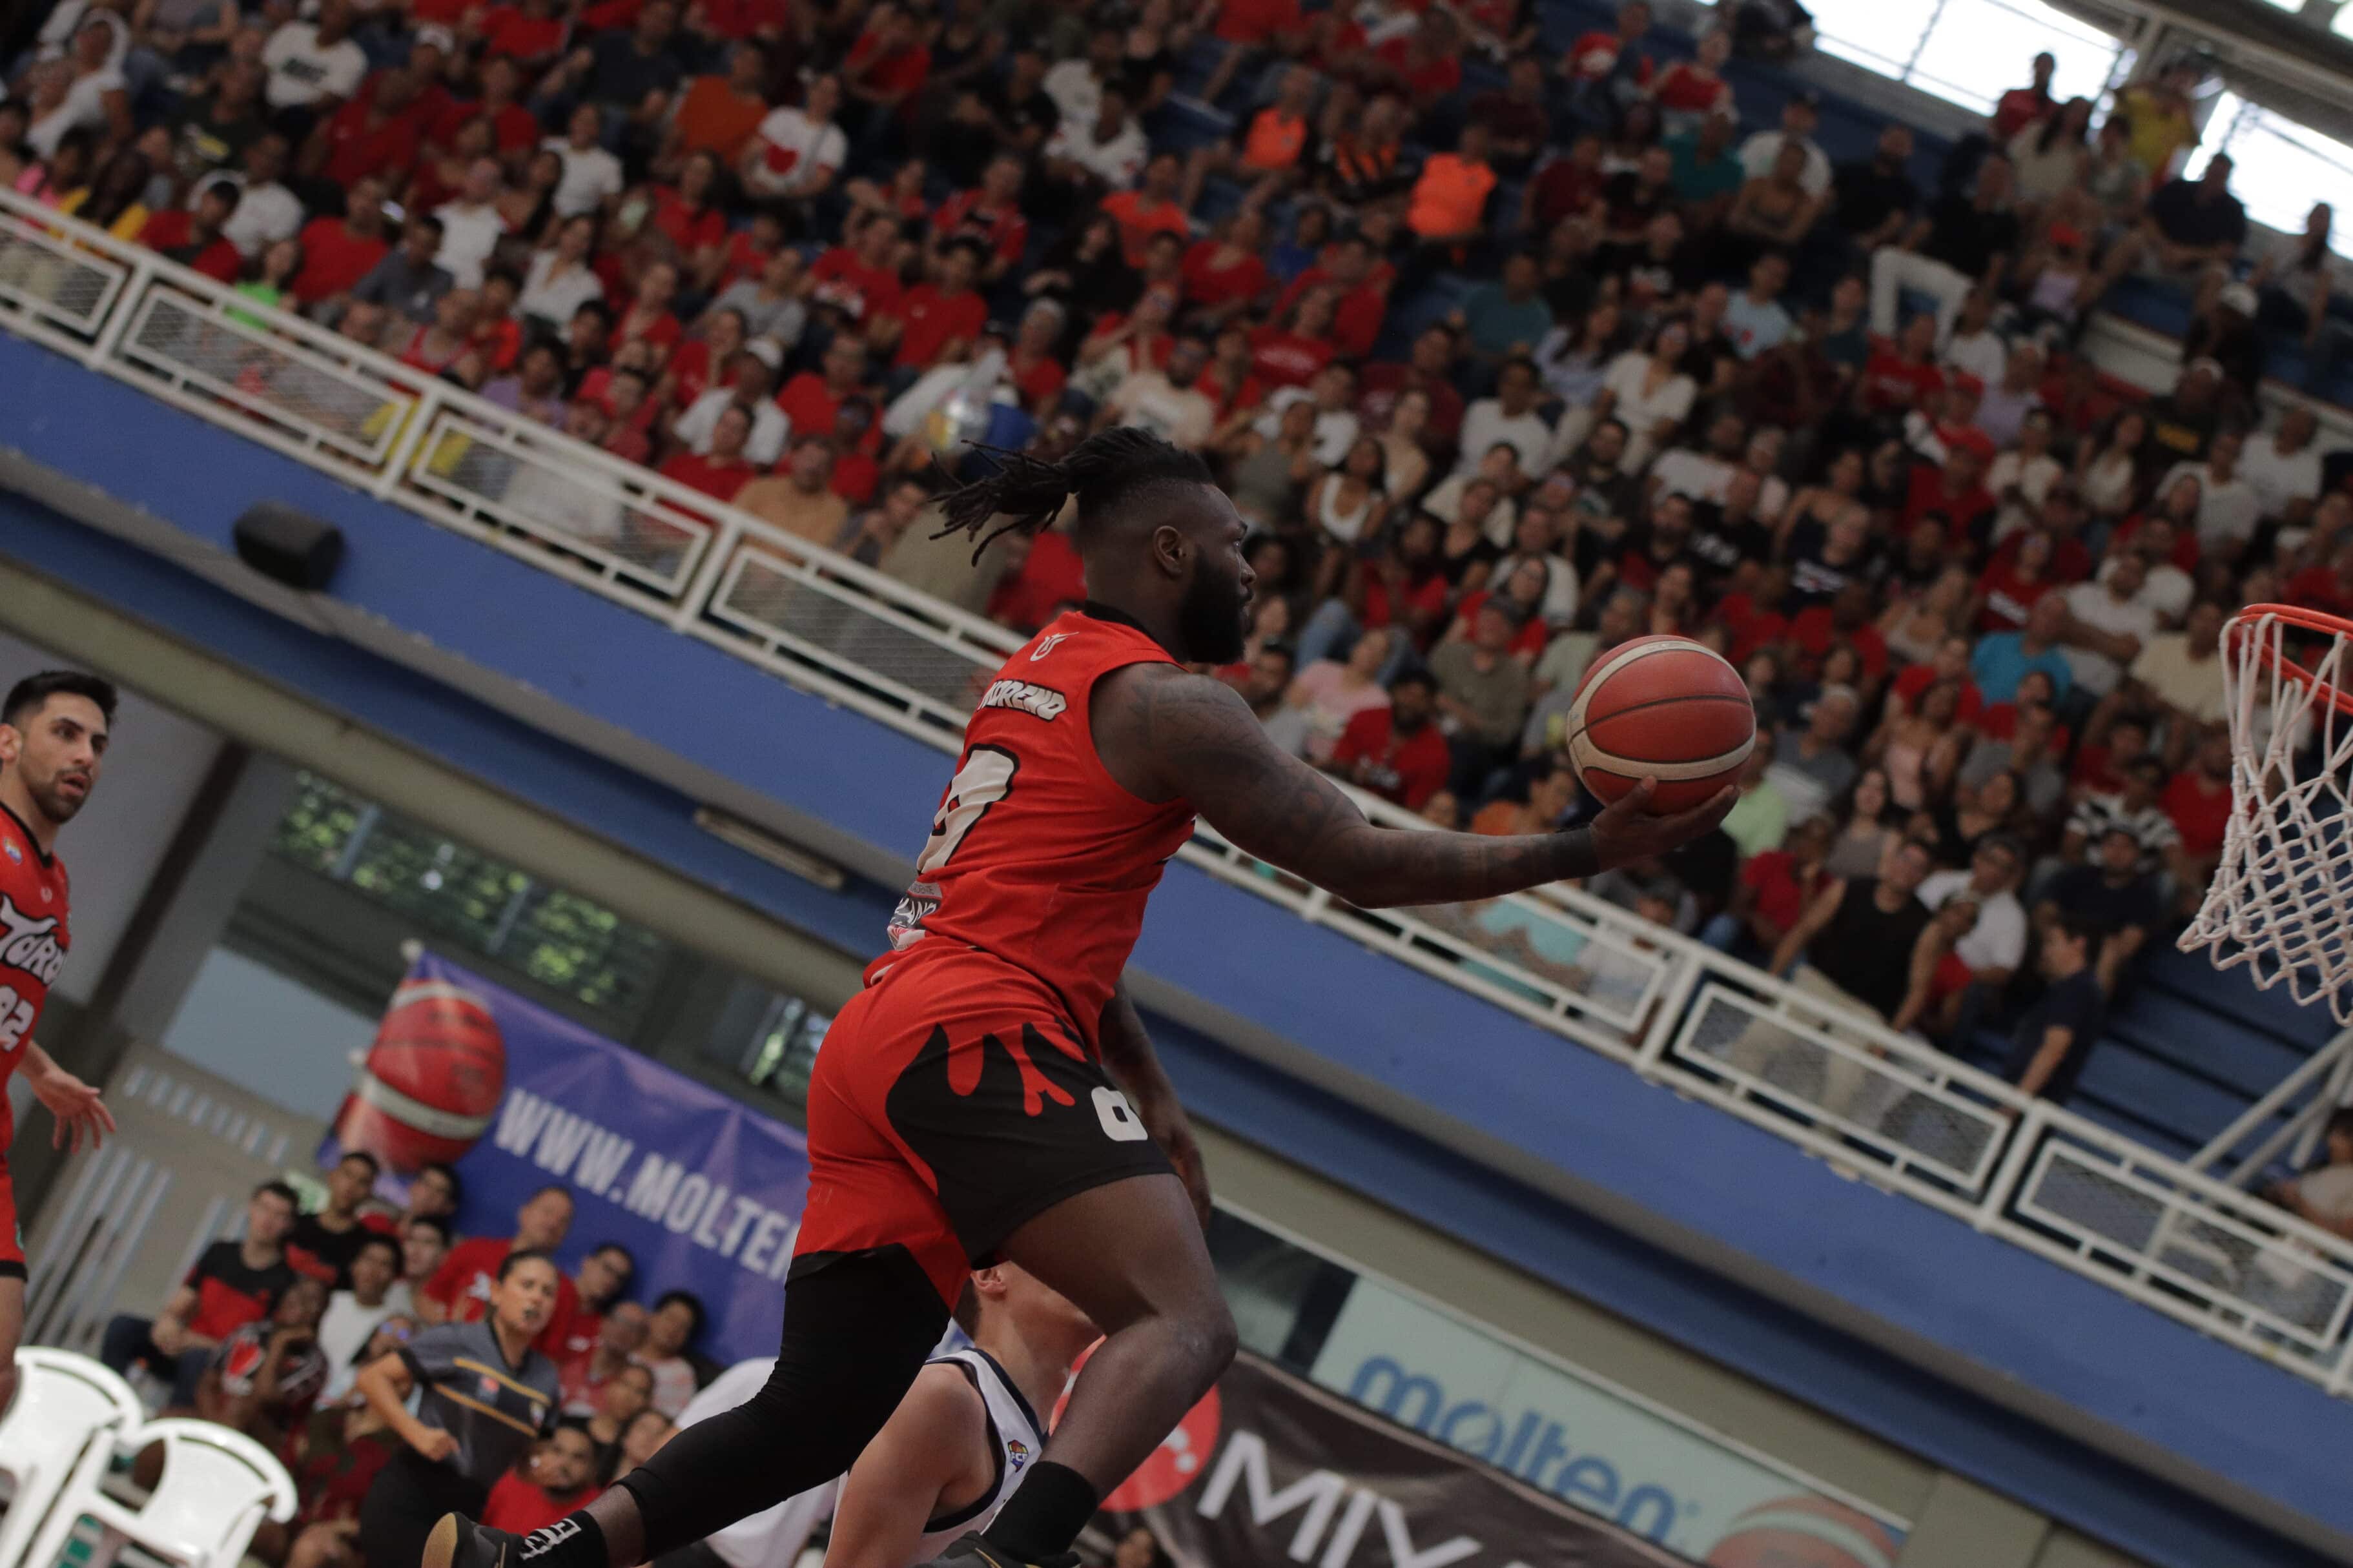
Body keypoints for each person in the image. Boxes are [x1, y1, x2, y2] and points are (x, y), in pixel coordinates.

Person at [424, 428, 1731, 1568]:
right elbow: (1358, 858)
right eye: (1235, 547)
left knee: (823, 1406)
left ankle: (536, 1549)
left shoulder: (1042, 660)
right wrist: (1582, 850)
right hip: (970, 1027)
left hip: (888, 1025)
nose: (1252, 572)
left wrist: (1148, 1089)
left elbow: (1056, 923)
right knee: (1184, 1316)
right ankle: (1020, 1549)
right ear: (1169, 549)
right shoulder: (1172, 704)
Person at [0, 670, 118, 1413]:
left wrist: (36, 1064)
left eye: (98, 744)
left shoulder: (55, 878)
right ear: (8, 741)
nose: (86, 755)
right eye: (66, 733)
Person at [360, 1251, 564, 1568]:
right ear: (496, 1292)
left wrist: (538, 1467)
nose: (537, 1298)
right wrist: (416, 1432)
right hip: (412, 1491)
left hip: (468, 1512)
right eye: (527, 1285)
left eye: (548, 1292)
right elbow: (373, 1378)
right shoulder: (459, 1338)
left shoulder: (547, 1378)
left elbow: (529, 1456)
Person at [104, 1178, 299, 1408]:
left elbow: (257, 1350)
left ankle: (170, 1427)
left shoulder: (286, 1282)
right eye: (264, 1208)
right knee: (123, 1326)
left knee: (197, 1359)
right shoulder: (220, 1253)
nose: (268, 1220)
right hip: (182, 1346)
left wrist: (199, 1343)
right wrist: (168, 1323)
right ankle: (106, 1402)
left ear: (289, 1225)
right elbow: (180, 1303)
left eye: (279, 1215)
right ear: (251, 1207)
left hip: (219, 1369)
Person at [419, 1185, 579, 1347]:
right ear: (524, 1212)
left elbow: (550, 1357)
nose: (553, 1223)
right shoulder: (474, 1249)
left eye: (563, 1221)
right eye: (547, 1212)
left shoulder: (564, 1290)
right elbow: (427, 1299)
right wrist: (451, 1330)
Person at [2004, 913, 2104, 1104]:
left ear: (2078, 944)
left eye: (2052, 942)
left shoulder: (2077, 990)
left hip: (2028, 1105)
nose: (2045, 951)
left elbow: (2054, 1049)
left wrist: (2016, 1104)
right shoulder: (2072, 988)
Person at [320, 1233, 412, 1401]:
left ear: (394, 1276)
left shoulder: (394, 1324)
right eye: (368, 1259)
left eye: (384, 1264)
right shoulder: (328, 1302)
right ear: (353, 1265)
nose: (373, 1270)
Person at [293, 1149, 390, 1285]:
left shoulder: (365, 1249)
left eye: (362, 1182)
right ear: (332, 1176)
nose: (351, 1186)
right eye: (348, 1175)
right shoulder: (294, 1225)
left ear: (369, 1193)